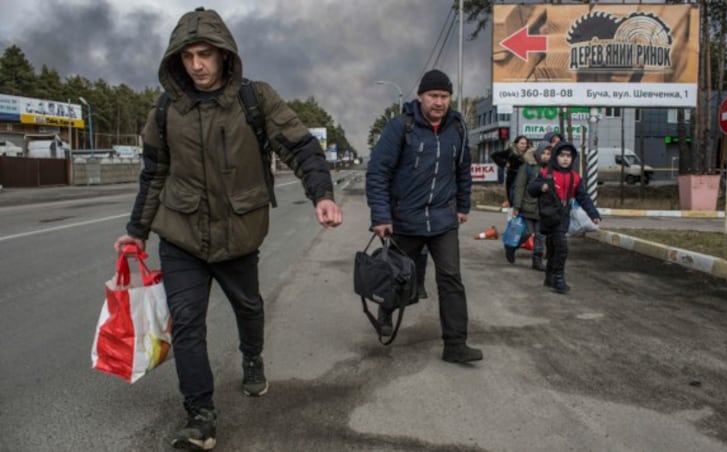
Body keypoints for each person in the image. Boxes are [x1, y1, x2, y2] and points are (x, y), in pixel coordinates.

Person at [112, 7, 343, 450]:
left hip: (239, 234)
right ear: (175, 59)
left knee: (249, 308)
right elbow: (153, 172)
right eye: (187, 56)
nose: (196, 65)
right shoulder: (165, 110)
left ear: (224, 55)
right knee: (187, 326)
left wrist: (323, 195)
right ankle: (200, 415)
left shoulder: (255, 99)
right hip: (181, 235)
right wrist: (137, 229)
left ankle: (251, 357)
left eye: (205, 55)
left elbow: (302, 147)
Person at [366, 69, 482, 364]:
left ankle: (455, 345)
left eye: (444, 96)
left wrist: (463, 206)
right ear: (421, 97)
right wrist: (381, 216)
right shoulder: (400, 127)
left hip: (443, 220)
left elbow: (462, 170)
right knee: (399, 279)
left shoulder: (457, 128)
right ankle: (386, 312)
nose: (439, 102)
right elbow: (378, 172)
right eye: (433, 96)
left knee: (451, 279)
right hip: (405, 220)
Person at [527, 142, 600, 294]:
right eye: (562, 156)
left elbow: (583, 196)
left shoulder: (575, 177)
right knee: (560, 248)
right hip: (548, 216)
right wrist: (541, 187)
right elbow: (531, 190)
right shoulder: (547, 173)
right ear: (556, 157)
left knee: (556, 247)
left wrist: (593, 214)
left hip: (563, 216)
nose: (565, 159)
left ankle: (551, 277)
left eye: (569, 156)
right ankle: (558, 279)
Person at [506, 143, 552, 270]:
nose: (545, 156)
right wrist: (516, 206)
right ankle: (512, 247)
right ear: (538, 153)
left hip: (543, 208)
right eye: (543, 153)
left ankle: (537, 261)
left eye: (548, 154)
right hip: (528, 206)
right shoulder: (528, 167)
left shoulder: (552, 169)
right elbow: (519, 187)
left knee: (540, 235)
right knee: (526, 232)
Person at [491, 135, 528, 203]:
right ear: (516, 144)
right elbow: (494, 155)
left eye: (525, 143)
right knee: (512, 198)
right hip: (513, 178)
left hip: (526, 178)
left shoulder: (530, 153)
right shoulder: (511, 152)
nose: (524, 145)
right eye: (522, 143)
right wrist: (504, 163)